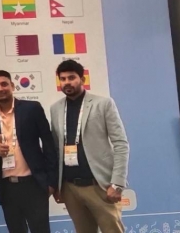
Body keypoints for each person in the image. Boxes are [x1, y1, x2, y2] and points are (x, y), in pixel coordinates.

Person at [50, 59, 129, 233]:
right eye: (63, 79)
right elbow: (56, 150)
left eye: (72, 78)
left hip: (99, 186)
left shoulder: (103, 104)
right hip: (70, 188)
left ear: (82, 79)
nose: (67, 82)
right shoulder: (55, 109)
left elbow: (121, 144)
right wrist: (57, 185)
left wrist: (117, 183)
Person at [0, 70, 57, 233]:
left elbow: (48, 143)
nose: (0, 88)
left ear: (12, 86)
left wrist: (52, 181)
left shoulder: (32, 108)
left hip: (34, 184)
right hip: (7, 188)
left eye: (4, 84)